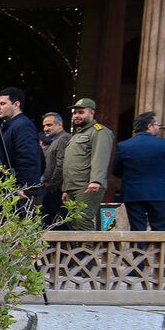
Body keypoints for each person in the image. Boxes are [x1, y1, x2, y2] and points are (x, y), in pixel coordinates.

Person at [113, 111, 165, 232]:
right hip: (159, 192)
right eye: (157, 124)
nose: (158, 127)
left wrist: (131, 177)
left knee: (137, 229)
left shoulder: (124, 146)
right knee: (160, 229)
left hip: (133, 193)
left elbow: (116, 171)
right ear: (149, 126)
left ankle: (139, 251)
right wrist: (160, 176)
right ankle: (158, 251)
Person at [61, 98, 114, 231]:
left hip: (87, 185)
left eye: (81, 112)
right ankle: (82, 250)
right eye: (75, 113)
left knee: (82, 218)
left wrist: (96, 181)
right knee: (74, 221)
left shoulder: (99, 131)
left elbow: (100, 157)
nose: (76, 116)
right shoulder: (78, 134)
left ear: (92, 113)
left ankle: (89, 251)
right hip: (74, 186)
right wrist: (66, 188)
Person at [0, 87, 44, 201]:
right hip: (11, 187)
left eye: (2, 104)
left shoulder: (23, 126)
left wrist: (22, 186)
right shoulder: (10, 125)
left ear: (16, 105)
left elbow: (28, 157)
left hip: (20, 191)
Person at [40, 112, 71, 225]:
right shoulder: (56, 139)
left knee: (57, 222)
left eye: (49, 125)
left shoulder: (63, 138)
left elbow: (61, 164)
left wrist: (52, 186)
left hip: (56, 188)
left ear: (60, 125)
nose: (46, 128)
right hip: (51, 186)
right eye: (44, 126)